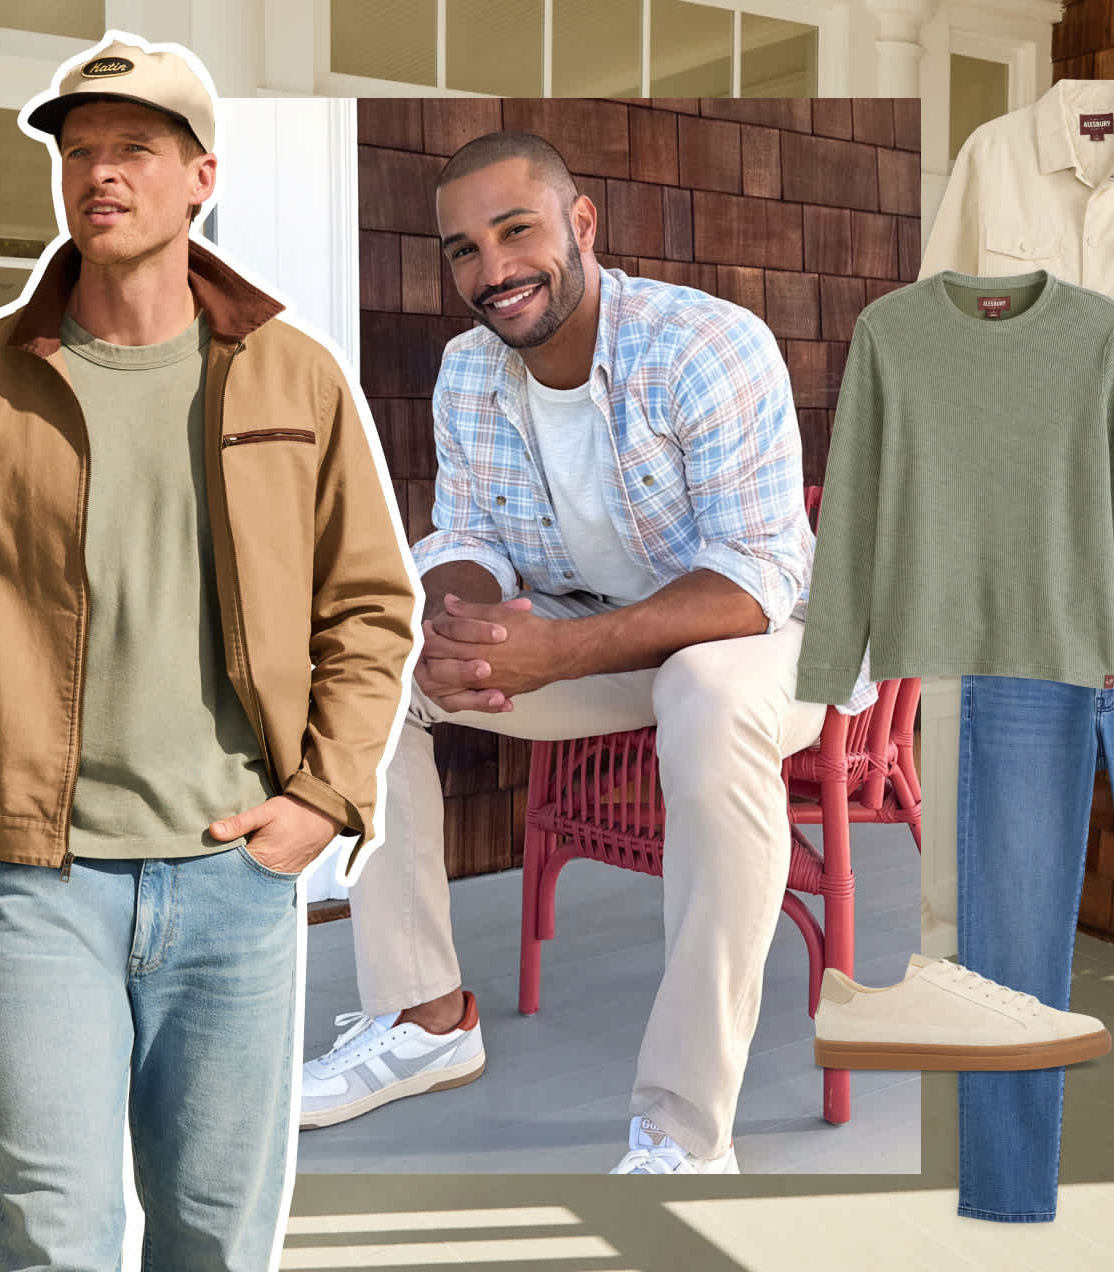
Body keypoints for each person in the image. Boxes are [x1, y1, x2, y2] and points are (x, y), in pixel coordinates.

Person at [0, 35, 415, 1270]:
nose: (100, 174)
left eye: (134, 151)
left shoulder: (293, 375)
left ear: (200, 175)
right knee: (53, 1234)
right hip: (37, 881)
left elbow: (370, 609)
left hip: (235, 877)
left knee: (216, 1236)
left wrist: (322, 798)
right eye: (81, 152)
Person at [299, 129, 871, 1173]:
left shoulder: (707, 345)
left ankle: (687, 1133)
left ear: (582, 224)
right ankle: (426, 1020)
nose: (493, 270)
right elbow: (468, 535)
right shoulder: (469, 372)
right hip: (595, 635)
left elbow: (753, 578)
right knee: (370, 670)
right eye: (463, 250)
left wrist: (555, 654)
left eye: (516, 231)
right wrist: (452, 622)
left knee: (706, 685)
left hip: (767, 635)